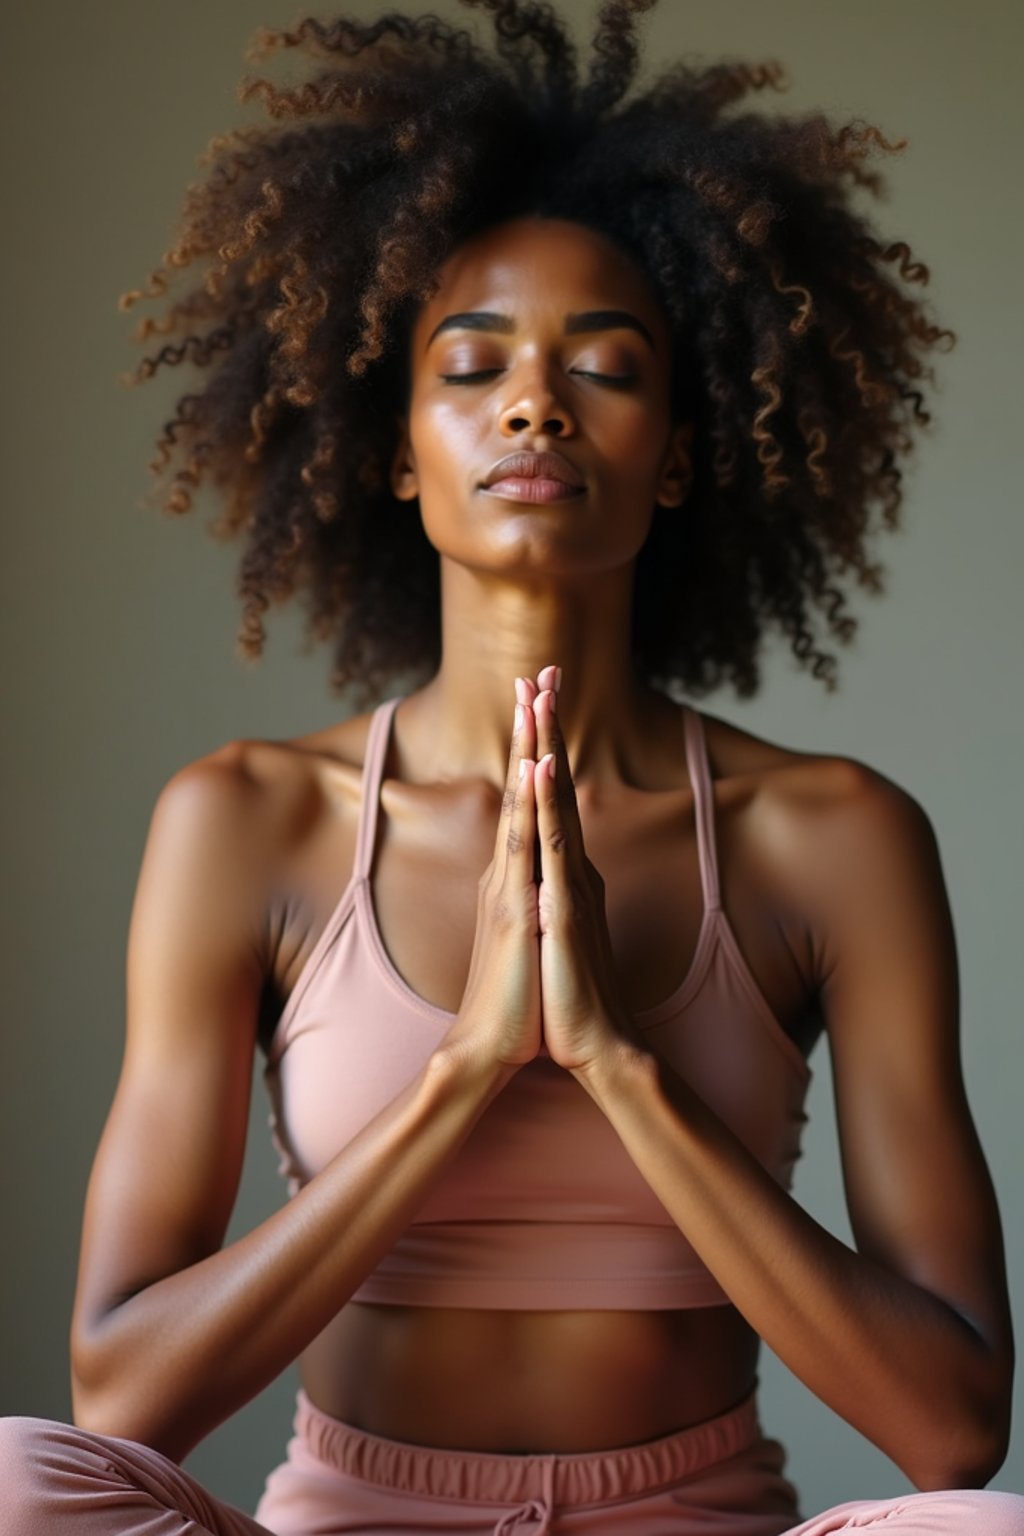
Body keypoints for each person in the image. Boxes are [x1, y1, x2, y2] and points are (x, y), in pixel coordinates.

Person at [2, 2, 1022, 1532]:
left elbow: (953, 1433)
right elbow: (123, 1398)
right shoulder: (249, 823)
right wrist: (467, 1071)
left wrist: (620, 1063)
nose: (535, 401)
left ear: (678, 449)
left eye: (604, 367)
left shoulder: (833, 837)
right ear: (400, 449)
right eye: (472, 366)